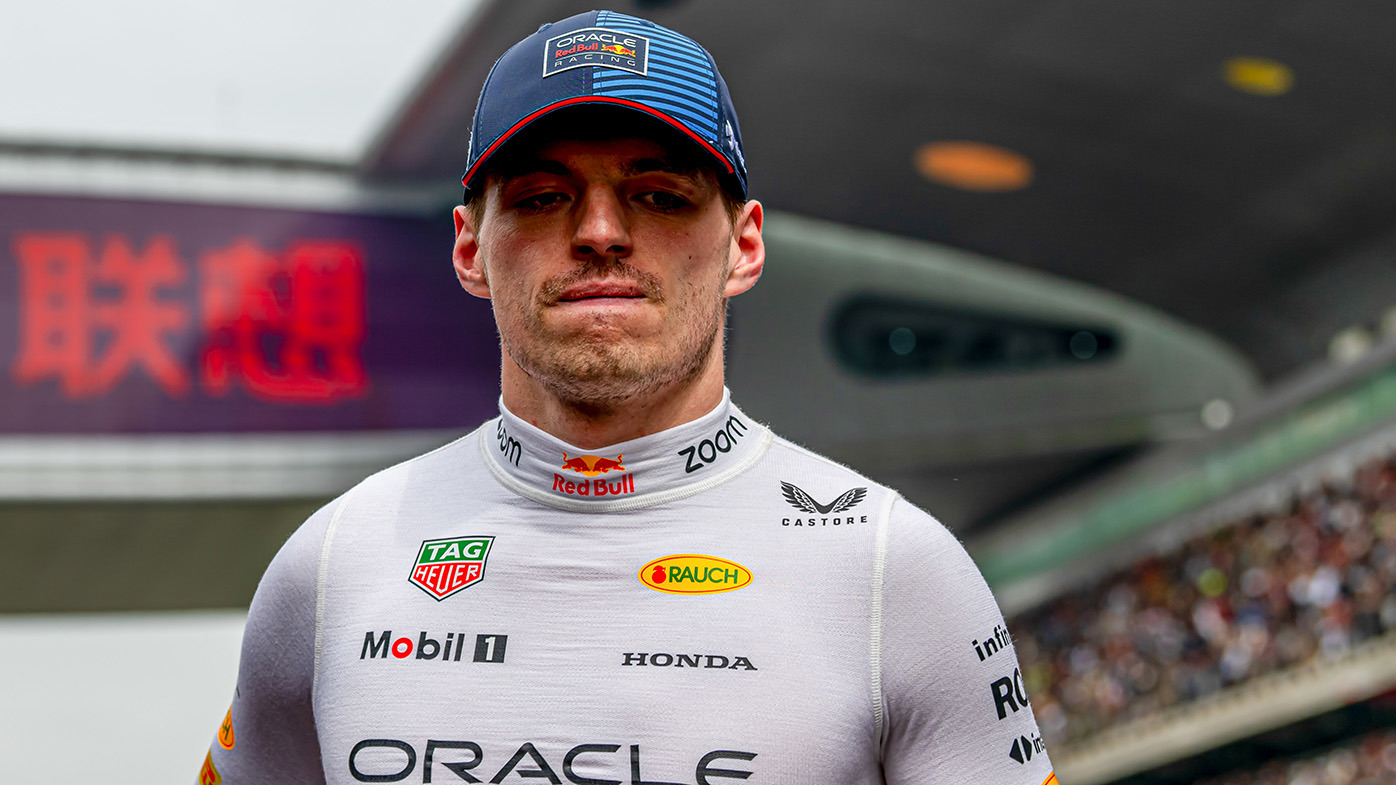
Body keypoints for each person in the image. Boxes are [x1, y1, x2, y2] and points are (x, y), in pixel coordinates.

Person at [199, 10, 1055, 785]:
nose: (600, 231)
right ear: (469, 249)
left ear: (745, 246)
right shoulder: (332, 563)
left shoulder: (891, 567)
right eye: (541, 197)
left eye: (658, 195)